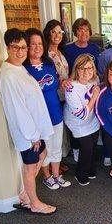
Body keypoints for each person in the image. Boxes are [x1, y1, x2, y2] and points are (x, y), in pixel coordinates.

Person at [0, 28, 56, 215]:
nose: (21, 51)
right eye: (16, 47)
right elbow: (17, 110)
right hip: (28, 134)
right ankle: (35, 203)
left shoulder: (18, 67)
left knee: (42, 155)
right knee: (30, 167)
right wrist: (33, 136)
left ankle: (24, 194)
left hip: (35, 130)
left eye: (23, 47)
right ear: (7, 47)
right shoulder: (8, 75)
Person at [24, 28, 71, 190]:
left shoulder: (49, 64)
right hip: (39, 117)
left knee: (56, 146)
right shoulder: (23, 70)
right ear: (27, 46)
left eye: (39, 44)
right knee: (46, 149)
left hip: (55, 112)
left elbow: (57, 82)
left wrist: (64, 83)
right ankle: (47, 176)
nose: (37, 47)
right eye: (32, 44)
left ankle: (57, 175)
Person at [63, 18, 100, 162]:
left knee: (88, 116)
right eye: (79, 29)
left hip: (88, 83)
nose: (83, 32)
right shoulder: (68, 49)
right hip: (74, 85)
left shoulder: (94, 48)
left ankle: (84, 151)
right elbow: (65, 69)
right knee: (75, 120)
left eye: (86, 29)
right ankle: (76, 149)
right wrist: (66, 81)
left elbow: (94, 68)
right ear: (75, 32)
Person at [64, 54, 101, 185]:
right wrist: (94, 97)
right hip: (78, 122)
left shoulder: (94, 80)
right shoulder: (71, 88)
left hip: (92, 120)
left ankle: (90, 169)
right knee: (87, 148)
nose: (87, 72)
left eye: (90, 68)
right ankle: (80, 174)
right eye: (82, 68)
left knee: (93, 147)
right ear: (77, 70)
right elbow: (82, 114)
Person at [43, 19, 71, 163]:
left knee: (62, 129)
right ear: (48, 33)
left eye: (59, 32)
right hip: (54, 96)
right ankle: (54, 161)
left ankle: (60, 159)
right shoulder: (46, 54)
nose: (57, 35)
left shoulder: (60, 51)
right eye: (53, 32)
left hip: (64, 94)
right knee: (54, 130)